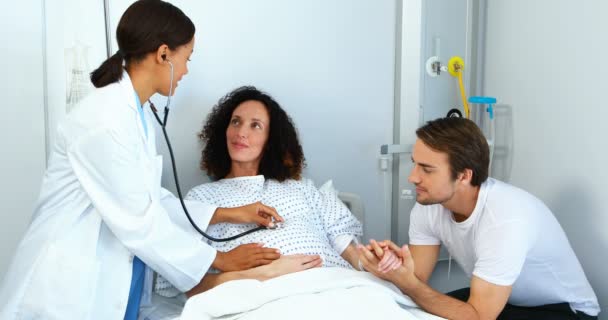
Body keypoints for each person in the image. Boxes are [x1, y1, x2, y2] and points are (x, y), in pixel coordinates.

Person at [0, 1, 308, 319]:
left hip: (111, 285)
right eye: (186, 59)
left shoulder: (135, 115)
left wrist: (230, 213)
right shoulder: (104, 121)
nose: (186, 70)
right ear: (163, 55)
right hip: (64, 288)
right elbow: (141, 221)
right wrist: (220, 260)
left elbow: (150, 197)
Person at [358, 117, 600, 320]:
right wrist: (393, 268)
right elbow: (417, 279)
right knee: (411, 312)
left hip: (563, 311)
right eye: (415, 165)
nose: (413, 177)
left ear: (464, 175)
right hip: (502, 303)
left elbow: (479, 316)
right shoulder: (429, 204)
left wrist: (409, 283)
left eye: (427, 169)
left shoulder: (505, 218)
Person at [154, 86, 366, 297]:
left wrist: (371, 264)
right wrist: (263, 274)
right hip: (261, 299)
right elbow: (186, 285)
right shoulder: (201, 198)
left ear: (271, 140)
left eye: (255, 125)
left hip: (335, 288)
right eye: (235, 122)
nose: (241, 133)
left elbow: (349, 251)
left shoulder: (302, 188)